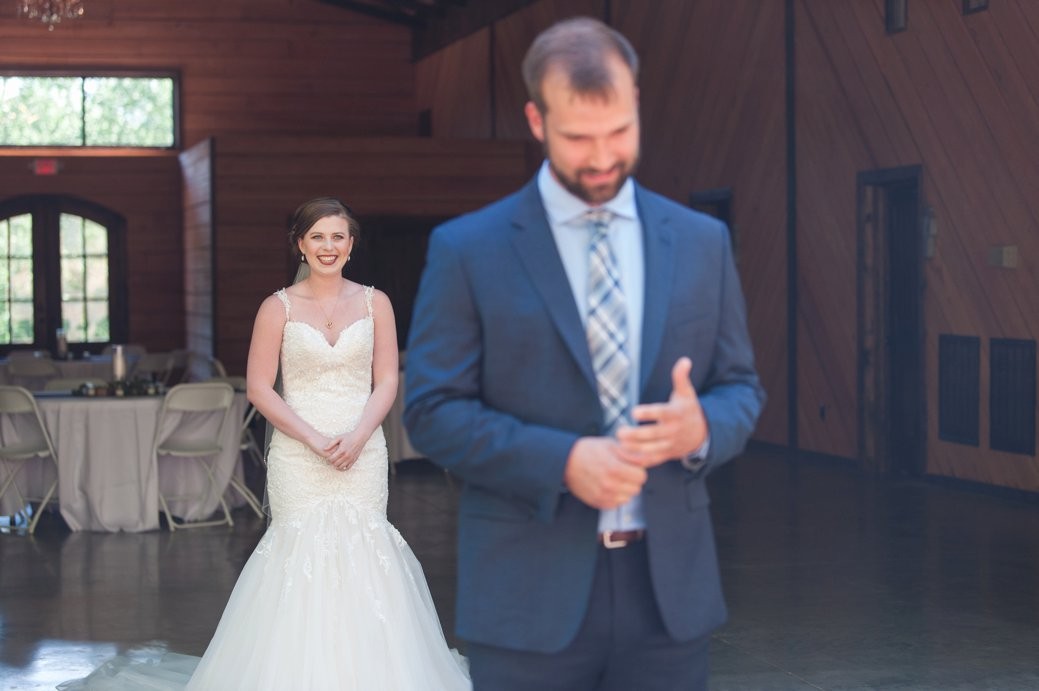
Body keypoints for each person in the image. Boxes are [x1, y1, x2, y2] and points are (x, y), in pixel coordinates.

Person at [403, 17, 765, 691]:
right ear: (536, 120)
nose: (602, 156)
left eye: (619, 131)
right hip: (524, 598)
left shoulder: (700, 241)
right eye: (578, 138)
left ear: (636, 109)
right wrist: (563, 461)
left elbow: (740, 387)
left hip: (669, 602)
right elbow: (429, 409)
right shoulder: (467, 249)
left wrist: (702, 429)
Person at [60, 197, 470, 690]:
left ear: (351, 245)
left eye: (338, 236)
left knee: (366, 549)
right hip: (299, 452)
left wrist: (360, 435)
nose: (328, 246)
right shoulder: (276, 307)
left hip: (362, 450)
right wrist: (315, 438)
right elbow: (259, 387)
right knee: (299, 554)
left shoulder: (374, 303)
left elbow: (386, 381)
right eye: (317, 236)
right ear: (299, 243)